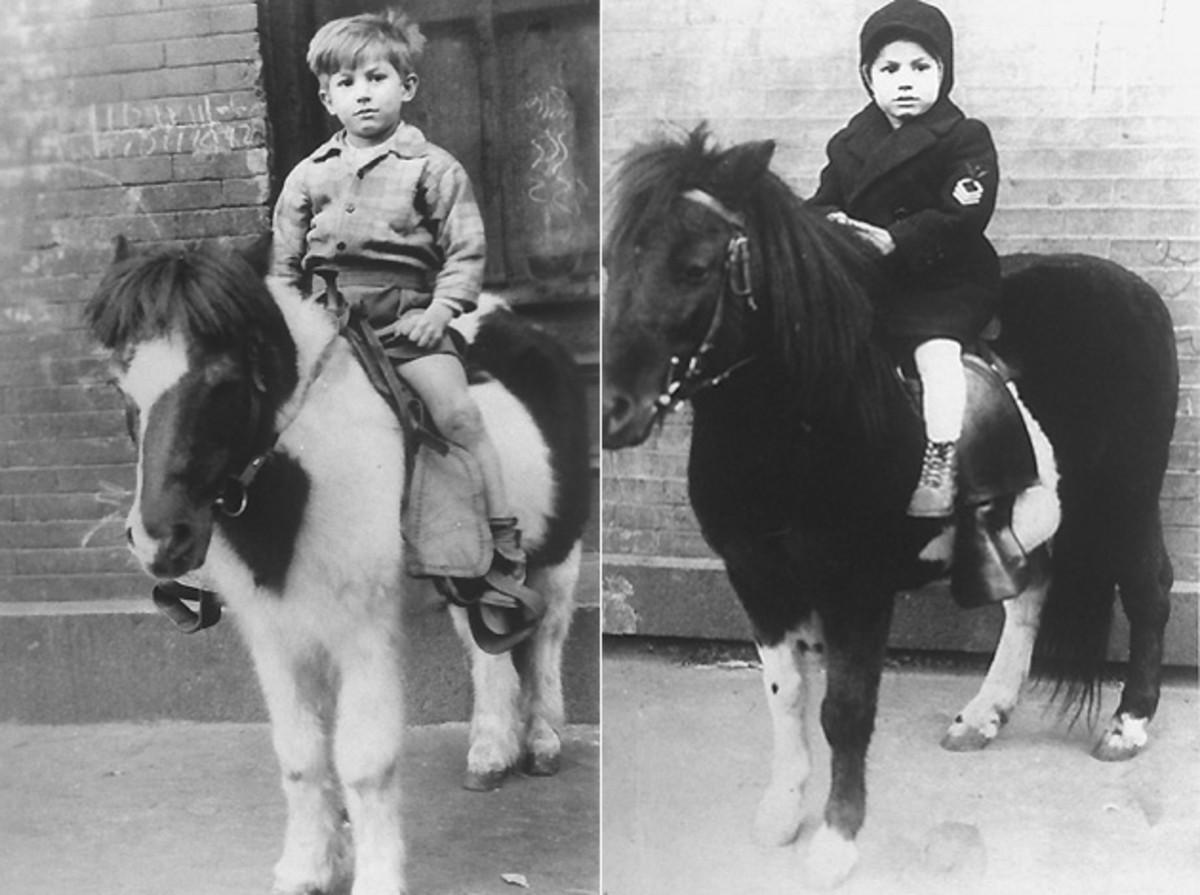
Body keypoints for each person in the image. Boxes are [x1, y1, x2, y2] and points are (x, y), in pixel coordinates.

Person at [270, 9, 539, 643]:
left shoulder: (433, 169)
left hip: (405, 319)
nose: (362, 92)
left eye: (376, 76)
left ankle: (501, 543)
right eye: (345, 83)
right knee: (265, 419)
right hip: (327, 326)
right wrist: (294, 323)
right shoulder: (308, 177)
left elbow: (466, 253)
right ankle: (216, 552)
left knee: (458, 417)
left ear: (407, 87)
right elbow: (282, 269)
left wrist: (439, 314)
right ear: (327, 97)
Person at [810, 0, 1001, 517]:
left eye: (921, 67)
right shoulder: (849, 144)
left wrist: (897, 240)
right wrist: (833, 226)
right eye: (889, 70)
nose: (906, 82)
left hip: (943, 282)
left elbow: (964, 211)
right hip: (871, 285)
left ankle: (941, 461)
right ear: (868, 79)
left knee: (935, 355)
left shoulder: (965, 137)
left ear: (944, 73)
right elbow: (823, 201)